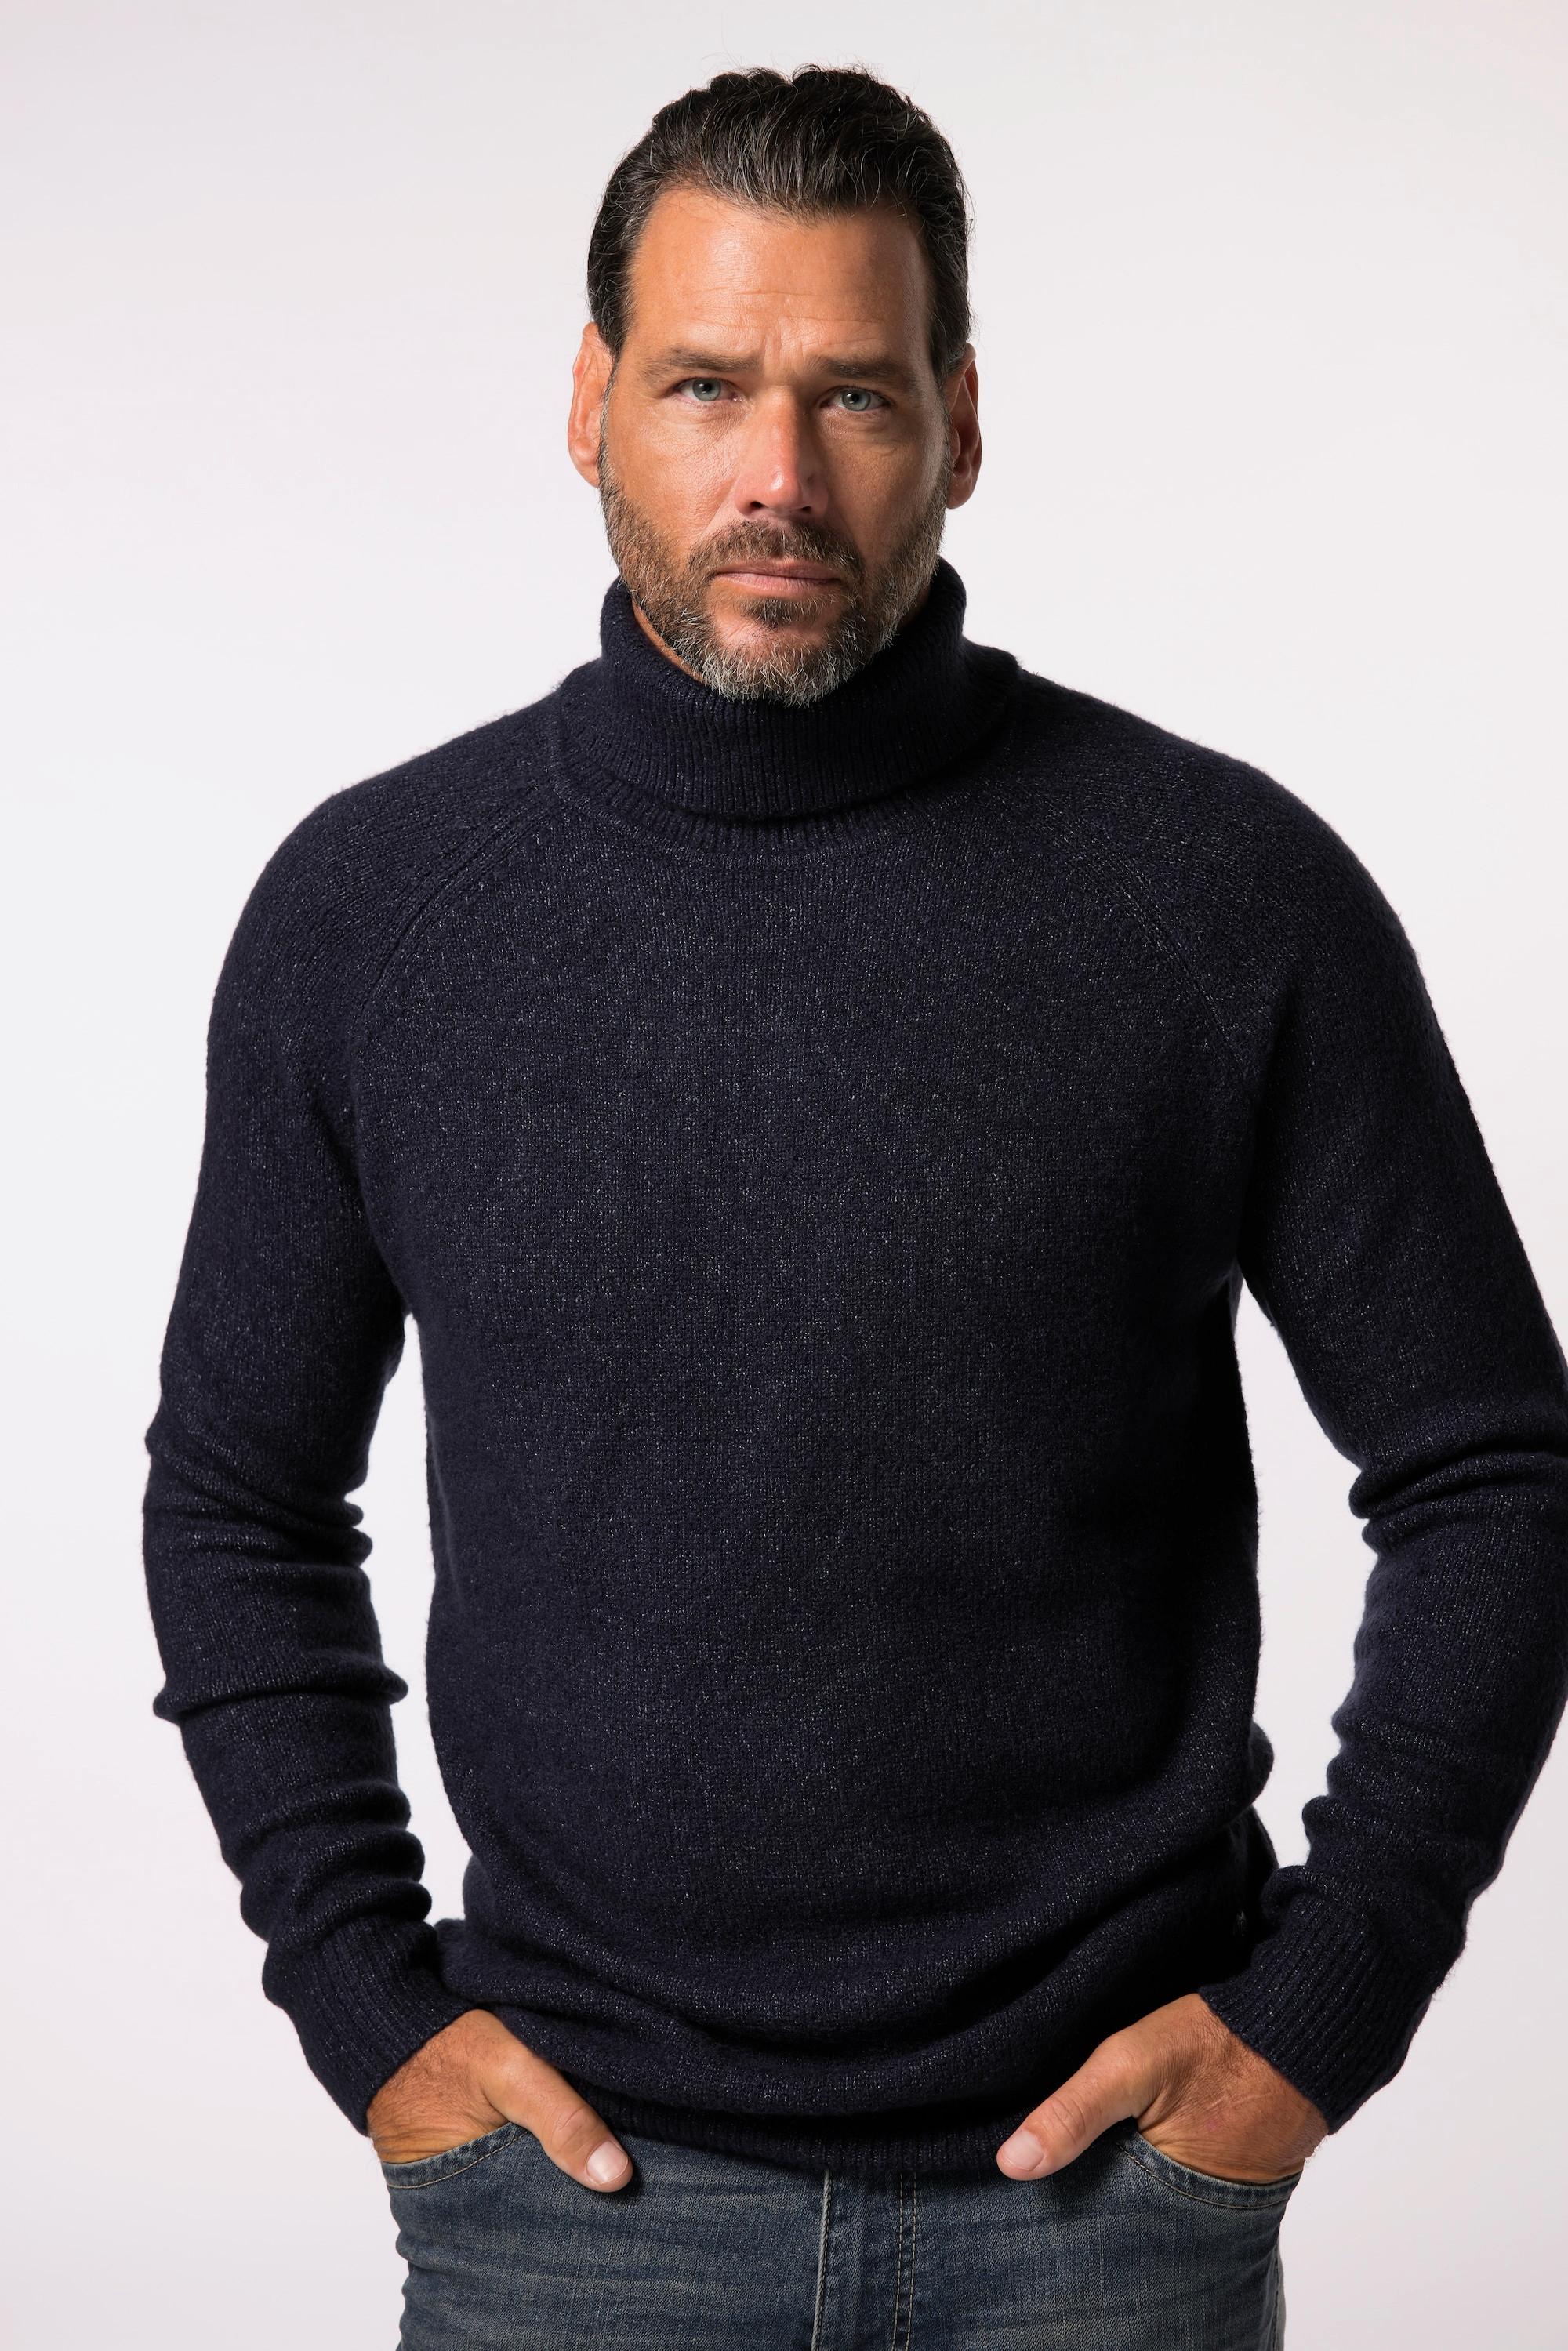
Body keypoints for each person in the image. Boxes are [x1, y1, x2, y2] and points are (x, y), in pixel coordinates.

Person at [141, 61, 1568, 2349]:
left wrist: (1317, 2016)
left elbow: (1493, 1468)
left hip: (1103, 2214)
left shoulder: (1222, 895)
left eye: (857, 396)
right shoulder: (378, 913)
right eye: (707, 384)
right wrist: (365, 2005)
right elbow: (237, 1495)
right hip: (568, 2213)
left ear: (962, 425)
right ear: (593, 404)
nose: (779, 477)